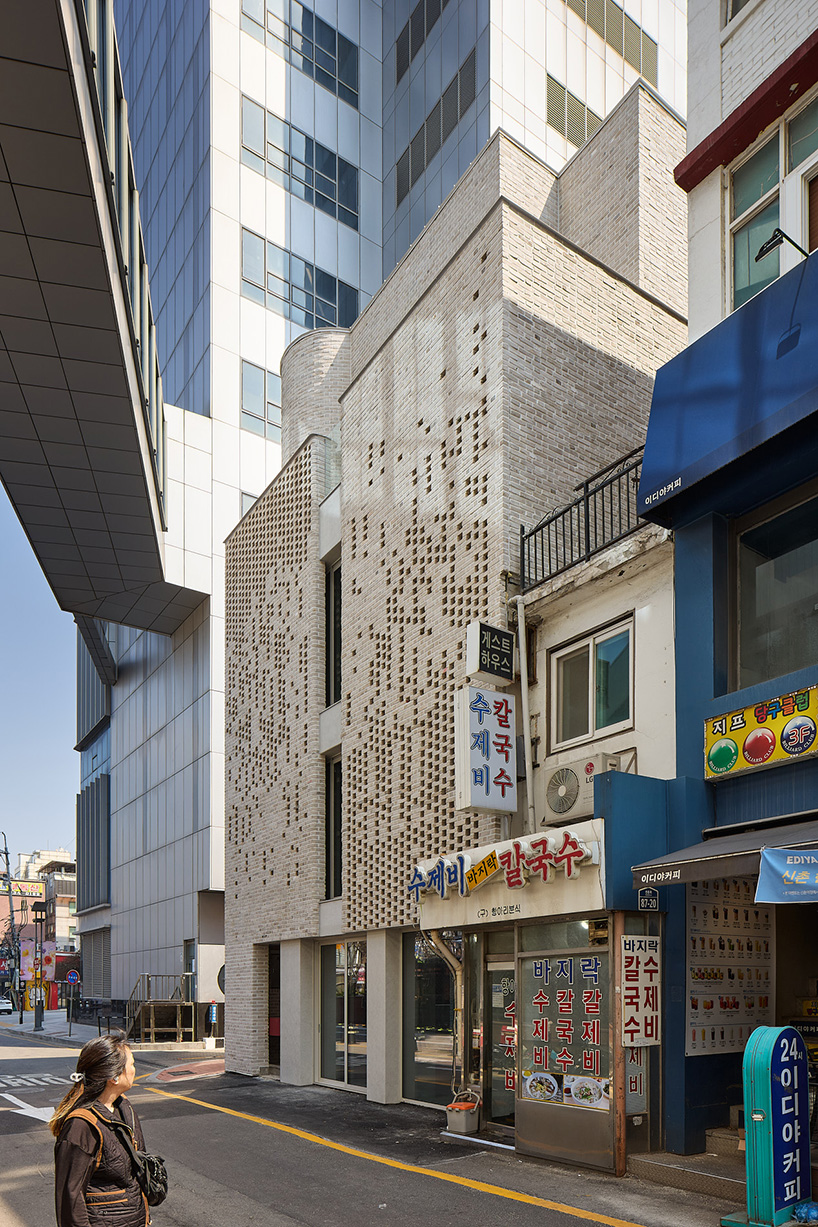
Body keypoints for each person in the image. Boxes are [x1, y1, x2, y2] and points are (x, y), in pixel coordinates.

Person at [50, 1032, 150, 1226]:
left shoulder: (124, 1108)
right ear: (114, 1076)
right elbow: (70, 1200)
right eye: (132, 1064)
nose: (134, 1069)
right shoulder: (81, 1126)